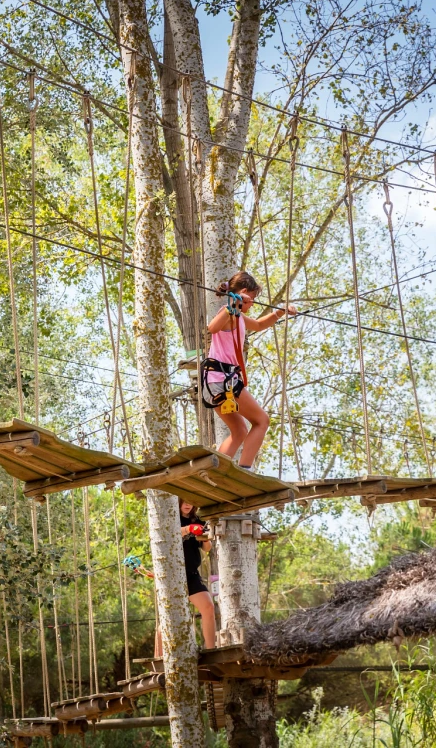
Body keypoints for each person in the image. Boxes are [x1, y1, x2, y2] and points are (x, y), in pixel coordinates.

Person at [204, 271, 297, 471]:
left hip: (216, 381)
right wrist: (232, 307)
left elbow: (260, 324)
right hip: (223, 379)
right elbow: (212, 328)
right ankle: (245, 468)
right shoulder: (228, 312)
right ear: (244, 293)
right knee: (262, 421)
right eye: (252, 299)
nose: (252, 304)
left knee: (239, 430)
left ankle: (214, 470)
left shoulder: (240, 318)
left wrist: (281, 311)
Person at [139, 500, 217, 657]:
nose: (188, 505)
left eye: (191, 502)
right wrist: (188, 529)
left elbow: (207, 548)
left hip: (191, 574)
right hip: (172, 574)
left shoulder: (198, 520)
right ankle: (159, 659)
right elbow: (168, 532)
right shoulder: (170, 516)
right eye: (185, 501)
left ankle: (211, 651)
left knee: (208, 607)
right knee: (168, 617)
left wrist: (205, 536)